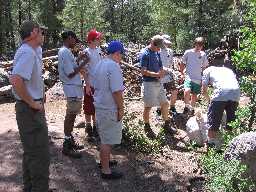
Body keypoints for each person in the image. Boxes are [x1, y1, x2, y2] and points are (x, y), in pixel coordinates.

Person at [9, 20, 50, 192]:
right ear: (34, 32)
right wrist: (32, 102)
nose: (43, 35)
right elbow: (16, 80)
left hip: (29, 109)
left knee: (31, 153)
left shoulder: (30, 50)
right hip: (30, 111)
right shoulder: (27, 52)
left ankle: (31, 188)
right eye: (41, 31)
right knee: (39, 156)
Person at [93, 40, 125, 179]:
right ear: (117, 53)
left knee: (104, 136)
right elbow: (117, 91)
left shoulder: (100, 63)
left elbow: (95, 84)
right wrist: (121, 108)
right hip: (109, 107)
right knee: (107, 140)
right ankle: (105, 171)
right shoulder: (113, 67)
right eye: (121, 55)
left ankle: (104, 161)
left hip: (100, 105)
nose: (121, 58)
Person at [58, 31, 89, 158]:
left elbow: (71, 66)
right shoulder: (64, 51)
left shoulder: (66, 51)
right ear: (69, 38)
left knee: (72, 114)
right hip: (71, 88)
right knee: (70, 115)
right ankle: (66, 144)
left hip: (74, 88)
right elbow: (70, 73)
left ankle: (69, 140)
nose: (75, 41)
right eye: (74, 39)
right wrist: (84, 62)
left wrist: (79, 59)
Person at [140, 35, 176, 138]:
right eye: (158, 47)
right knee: (148, 106)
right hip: (149, 84)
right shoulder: (145, 54)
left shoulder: (157, 52)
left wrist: (168, 71)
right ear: (153, 44)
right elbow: (143, 71)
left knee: (165, 104)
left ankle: (166, 124)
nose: (160, 49)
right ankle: (146, 126)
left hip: (158, 83)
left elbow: (161, 66)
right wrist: (156, 75)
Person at [202, 56, 240, 147]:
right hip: (236, 93)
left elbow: (203, 91)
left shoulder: (207, 70)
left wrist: (209, 101)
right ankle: (229, 146)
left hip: (221, 93)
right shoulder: (228, 70)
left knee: (213, 123)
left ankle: (211, 146)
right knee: (231, 123)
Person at [83, 29, 103, 141]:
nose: (99, 40)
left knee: (96, 106)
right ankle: (88, 126)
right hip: (90, 84)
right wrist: (87, 85)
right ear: (91, 41)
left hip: (99, 84)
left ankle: (95, 126)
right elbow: (84, 70)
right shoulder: (86, 52)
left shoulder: (98, 50)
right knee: (88, 106)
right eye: (97, 39)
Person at [180, 37, 208, 113]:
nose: (199, 47)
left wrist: (204, 78)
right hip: (188, 76)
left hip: (198, 78)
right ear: (195, 44)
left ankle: (192, 108)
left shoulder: (203, 54)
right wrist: (182, 73)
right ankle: (186, 106)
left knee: (194, 94)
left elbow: (205, 67)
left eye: (201, 45)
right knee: (187, 91)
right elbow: (182, 63)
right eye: (197, 45)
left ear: (202, 46)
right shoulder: (188, 52)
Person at [159, 34, 178, 116]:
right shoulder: (157, 51)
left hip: (168, 75)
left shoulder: (170, 51)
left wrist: (170, 71)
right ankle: (159, 109)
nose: (166, 44)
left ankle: (172, 107)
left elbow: (170, 64)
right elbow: (157, 65)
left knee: (174, 90)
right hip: (159, 76)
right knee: (160, 93)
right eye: (164, 42)